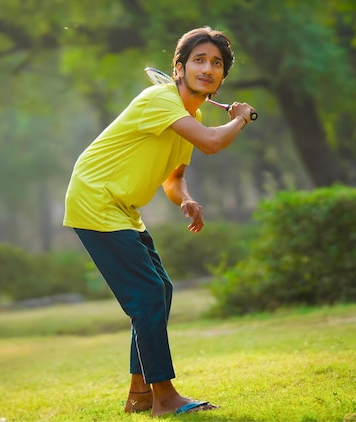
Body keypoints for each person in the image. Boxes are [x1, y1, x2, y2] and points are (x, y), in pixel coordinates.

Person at [63, 26, 256, 417]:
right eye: (199, 60)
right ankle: (165, 397)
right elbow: (212, 143)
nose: (208, 68)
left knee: (160, 290)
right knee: (147, 294)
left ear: (221, 78)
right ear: (180, 68)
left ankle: (140, 394)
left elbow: (174, 178)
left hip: (123, 209)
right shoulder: (160, 99)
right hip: (95, 199)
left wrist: (186, 200)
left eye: (216, 63)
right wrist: (240, 119)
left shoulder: (192, 114)